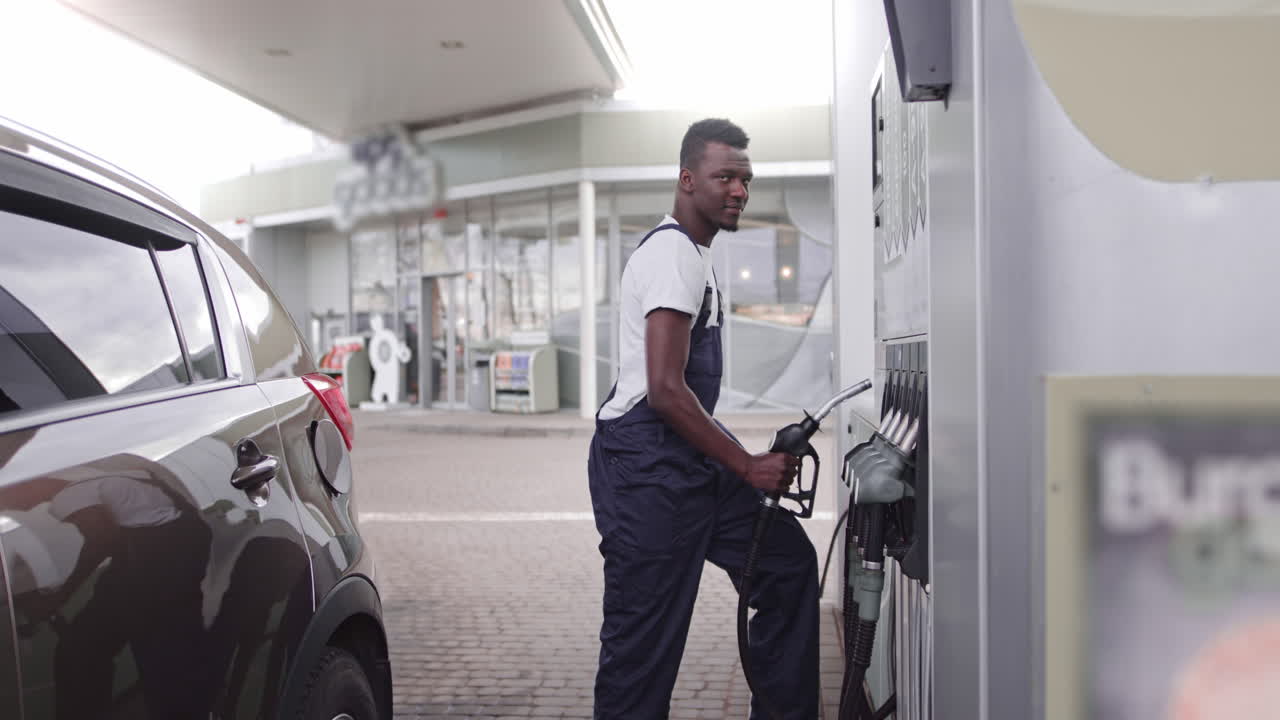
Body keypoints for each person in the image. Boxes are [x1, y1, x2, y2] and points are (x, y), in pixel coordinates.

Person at [588, 118, 819, 719]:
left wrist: (743, 465)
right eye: (725, 177)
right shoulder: (673, 256)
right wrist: (746, 464)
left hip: (685, 467)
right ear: (688, 180)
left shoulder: (695, 254)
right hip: (648, 475)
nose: (739, 189)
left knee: (787, 565)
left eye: (746, 178)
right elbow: (665, 391)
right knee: (641, 655)